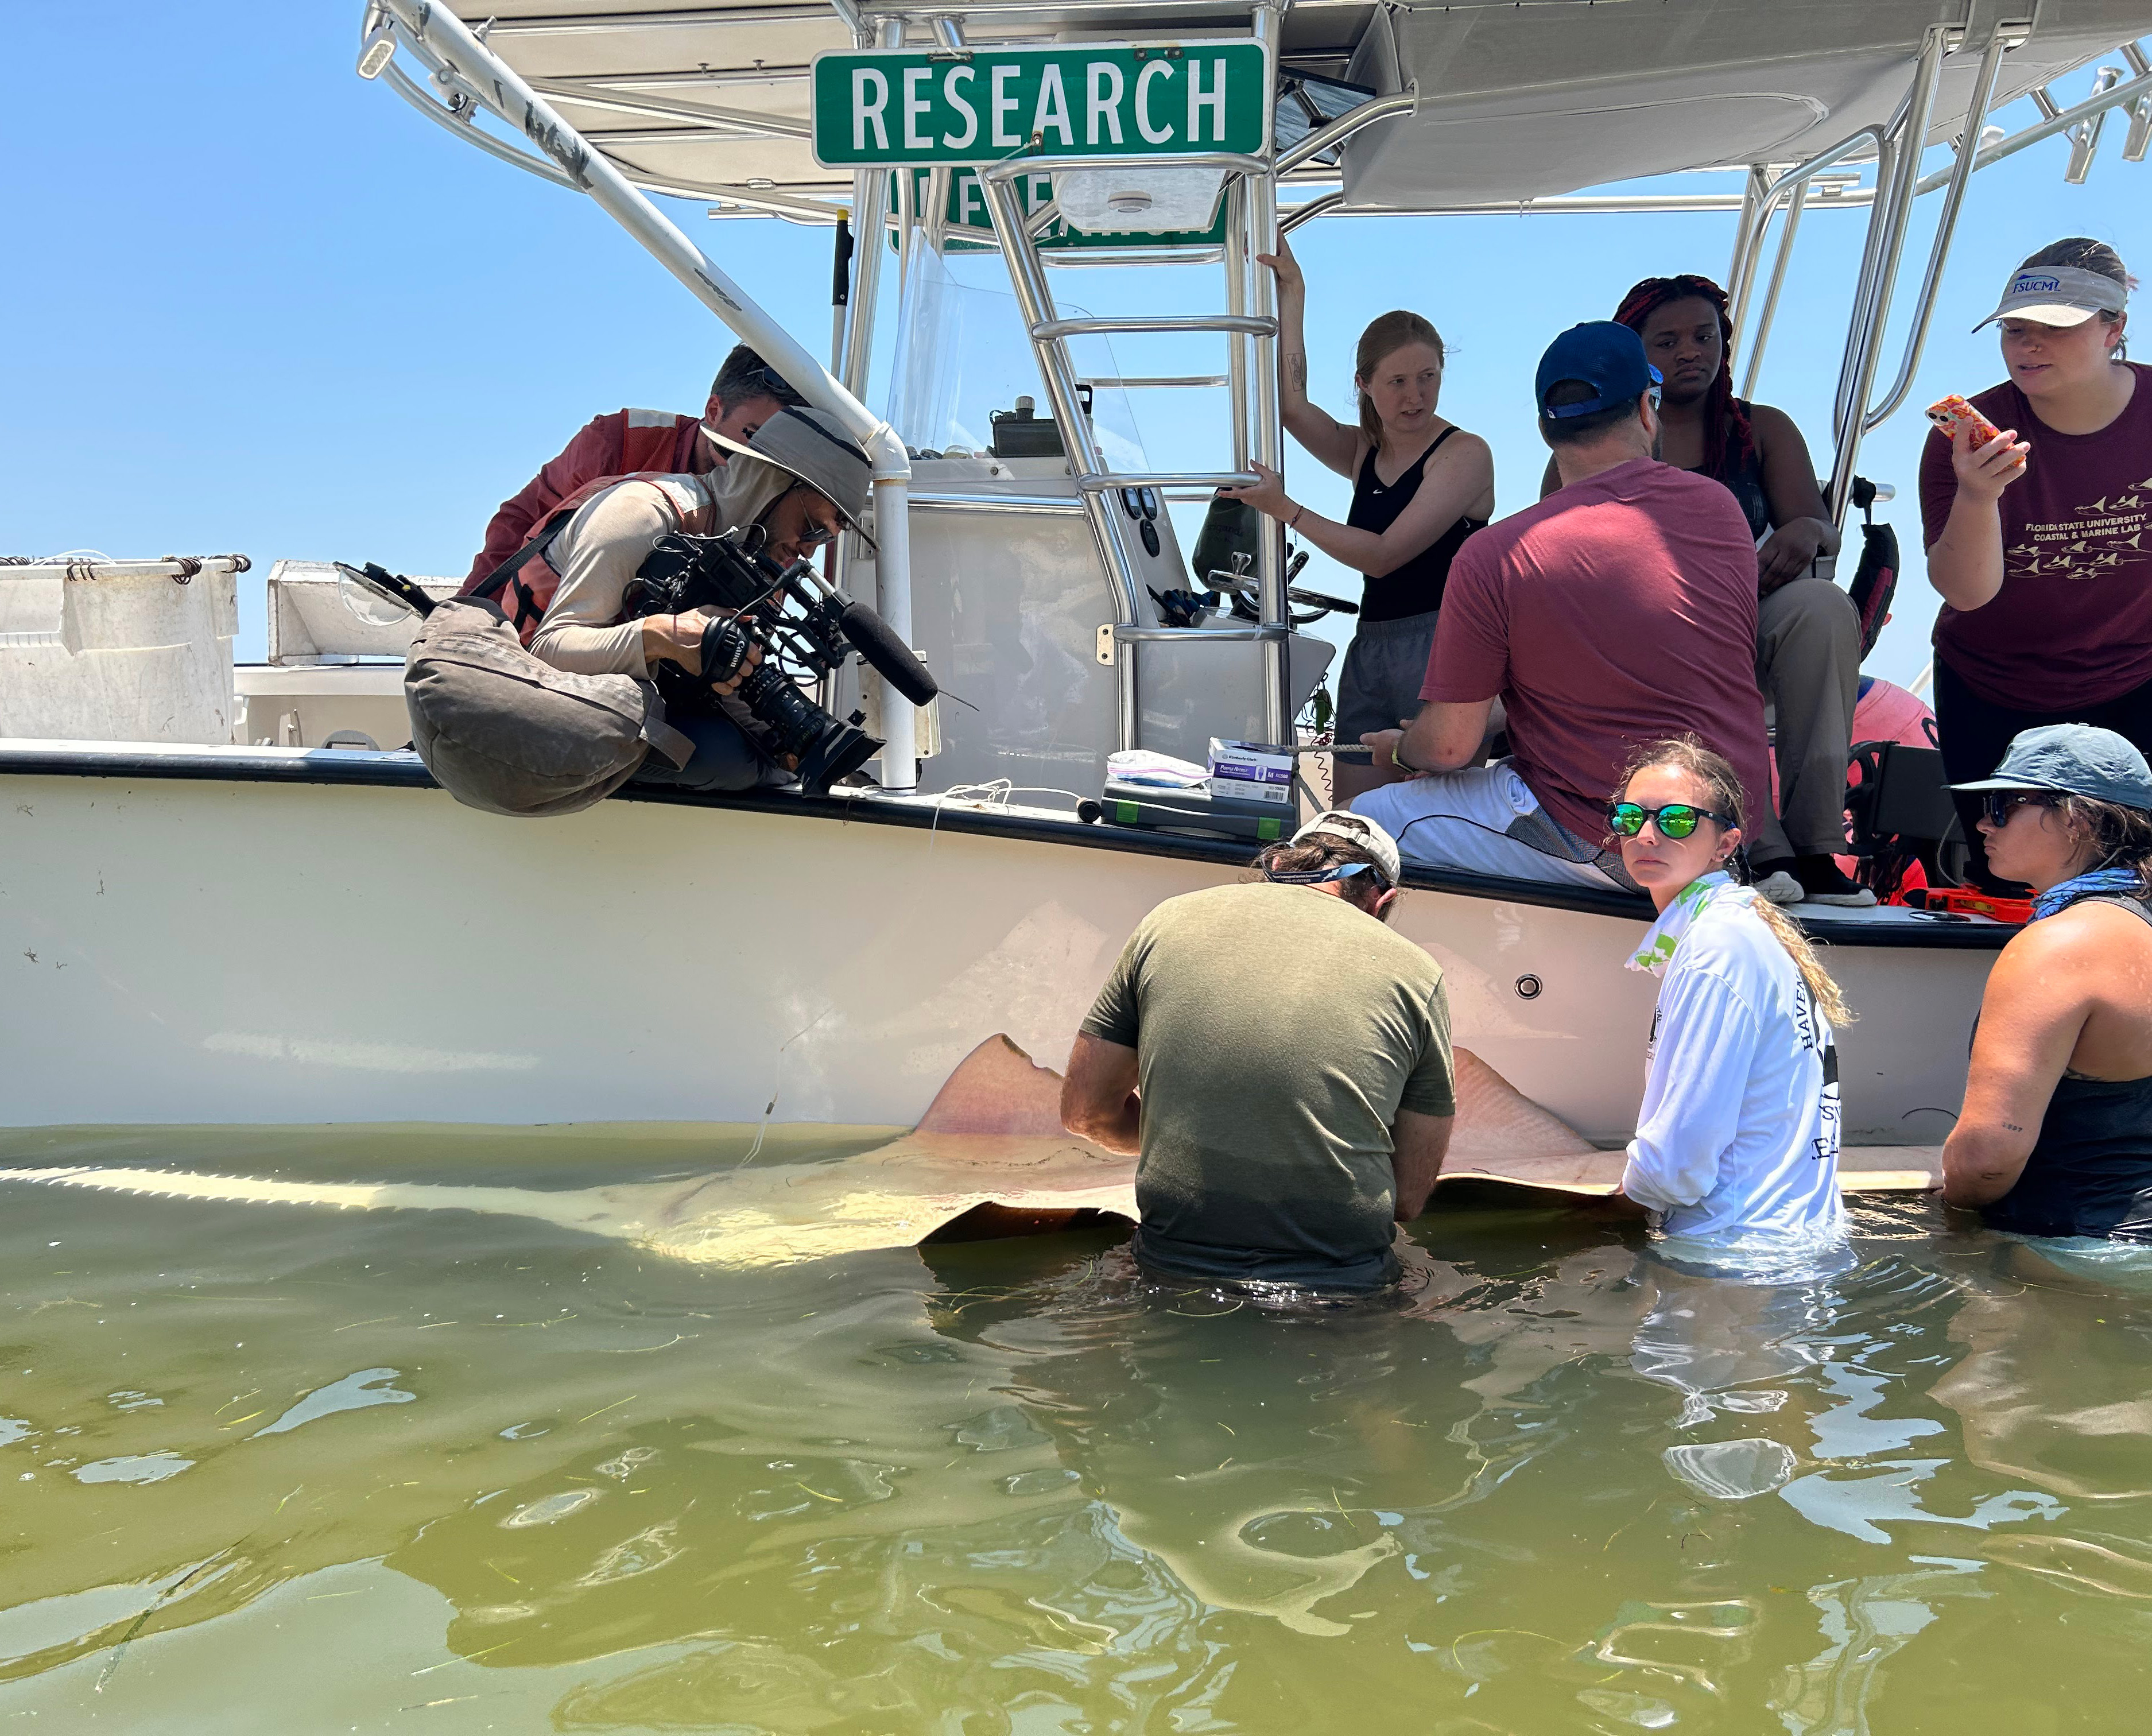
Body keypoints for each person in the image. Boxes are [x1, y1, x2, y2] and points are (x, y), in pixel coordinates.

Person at [1351, 321, 1773, 893]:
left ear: (1545, 432)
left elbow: (1449, 747)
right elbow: (1645, 673)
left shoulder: (1496, 554)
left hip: (1604, 840)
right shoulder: (1720, 513)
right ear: (1646, 411)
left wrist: (1401, 749)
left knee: (1352, 827)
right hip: (1726, 839)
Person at [1059, 811, 1455, 1293]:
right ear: (1382, 901)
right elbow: (1407, 1199)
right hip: (1340, 1288)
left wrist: (1191, 1142)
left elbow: (1085, 1113)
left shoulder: (1168, 920)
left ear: (1277, 868)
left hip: (1173, 1266)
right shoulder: (1417, 973)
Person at [1597, 274, 1867, 906]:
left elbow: (1816, 526)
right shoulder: (1606, 444)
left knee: (1822, 608)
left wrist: (1803, 532)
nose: (1689, 351)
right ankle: (1755, 841)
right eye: (1665, 341)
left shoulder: (1762, 428)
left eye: (1703, 335)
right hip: (1654, 634)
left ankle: (1815, 845)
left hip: (1755, 615)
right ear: (1635, 355)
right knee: (1689, 630)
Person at [1220, 234, 1494, 804]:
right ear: (1364, 386)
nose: (1415, 396)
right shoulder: (1362, 451)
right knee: (1353, 823)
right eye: (1397, 382)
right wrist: (1292, 293)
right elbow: (1292, 408)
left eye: (1428, 377)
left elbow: (1383, 554)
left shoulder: (1464, 454)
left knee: (1439, 826)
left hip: (1444, 651)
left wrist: (1285, 510)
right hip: (1369, 649)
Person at [1921, 239, 2150, 890]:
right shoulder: (1965, 438)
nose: (2027, 344)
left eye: (2054, 326)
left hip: (2136, 679)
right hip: (1990, 688)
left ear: (2114, 328)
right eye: (2015, 329)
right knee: (2008, 889)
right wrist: (1977, 493)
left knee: (2138, 890)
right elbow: (1966, 593)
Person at [521, 405, 872, 792]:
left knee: (745, 751)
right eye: (812, 530)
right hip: (532, 700)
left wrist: (788, 741)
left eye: (823, 541)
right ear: (772, 480)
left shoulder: (744, 561)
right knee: (718, 758)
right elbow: (547, 650)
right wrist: (662, 636)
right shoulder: (643, 512)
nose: (808, 551)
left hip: (610, 701)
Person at [1607, 736, 1852, 1265]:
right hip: (1783, 1247)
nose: (1645, 834)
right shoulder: (1734, 929)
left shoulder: (1714, 948)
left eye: (1675, 820)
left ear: (1725, 844)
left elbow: (1680, 1154)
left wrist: (1586, 1230)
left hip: (1732, 1258)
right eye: (1629, 817)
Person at [1941, 725, 2152, 1241]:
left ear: (2076, 817)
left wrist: (1949, 1216)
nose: (1983, 824)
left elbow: (1988, 1156)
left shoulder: (2061, 945)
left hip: (2078, 1250)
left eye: (2002, 804)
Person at [466, 345, 808, 585]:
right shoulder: (619, 441)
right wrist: (470, 614)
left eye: (779, 451)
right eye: (755, 437)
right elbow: (521, 521)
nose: (762, 460)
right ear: (714, 412)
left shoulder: (776, 501)